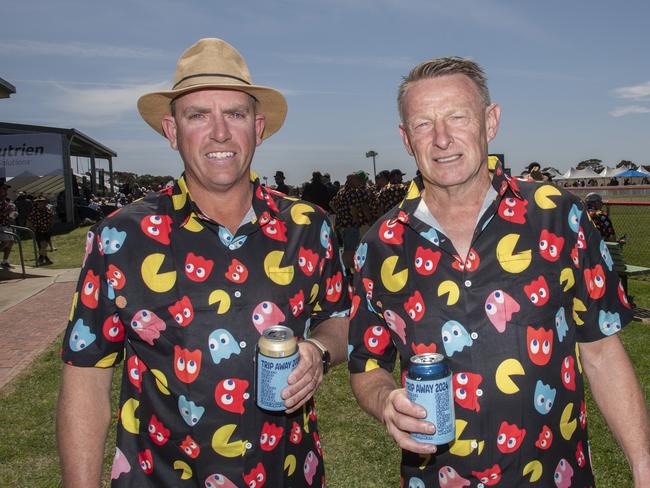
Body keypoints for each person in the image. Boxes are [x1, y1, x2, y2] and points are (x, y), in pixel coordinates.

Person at [57, 38, 350, 488]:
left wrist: (319, 350)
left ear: (258, 127)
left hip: (287, 475)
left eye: (234, 114)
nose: (219, 133)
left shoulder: (308, 226)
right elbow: (85, 375)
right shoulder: (119, 237)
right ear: (172, 131)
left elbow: (339, 317)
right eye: (198, 115)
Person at [348, 56, 650, 486]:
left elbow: (601, 352)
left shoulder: (556, 216)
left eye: (457, 116)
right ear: (405, 138)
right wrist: (384, 401)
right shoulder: (379, 247)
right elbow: (367, 364)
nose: (441, 139)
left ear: (490, 122)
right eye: (422, 124)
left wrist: (643, 466)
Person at [330, 171, 373, 272]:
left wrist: (340, 213)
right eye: (357, 180)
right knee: (351, 248)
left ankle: (347, 269)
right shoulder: (353, 192)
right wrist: (357, 221)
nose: (359, 182)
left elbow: (331, 203)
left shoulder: (341, 192)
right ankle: (350, 270)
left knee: (347, 246)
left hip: (341, 223)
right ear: (351, 181)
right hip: (351, 224)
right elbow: (354, 209)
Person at [28, 195, 54, 265]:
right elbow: (29, 221)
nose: (41, 203)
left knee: (43, 246)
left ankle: (42, 258)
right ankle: (43, 258)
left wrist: (50, 226)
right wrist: (32, 229)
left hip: (47, 230)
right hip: (38, 231)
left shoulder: (48, 210)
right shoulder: (34, 212)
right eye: (39, 202)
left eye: (42, 202)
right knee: (44, 245)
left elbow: (51, 218)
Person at [0, 182, 17, 270]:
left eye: (6, 189)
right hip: (1, 225)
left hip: (8, 225)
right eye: (4, 189)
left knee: (10, 243)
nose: (6, 191)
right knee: (6, 242)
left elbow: (12, 214)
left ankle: (5, 261)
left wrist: (13, 214)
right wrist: (6, 212)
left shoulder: (8, 201)